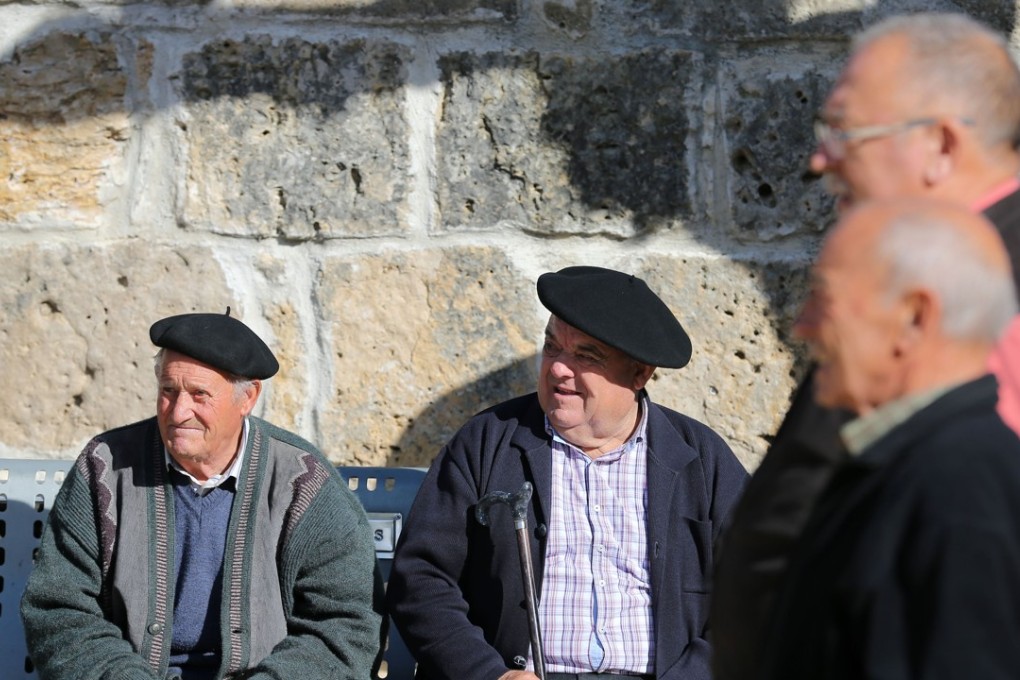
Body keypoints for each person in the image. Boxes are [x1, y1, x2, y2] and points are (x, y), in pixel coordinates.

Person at [709, 13, 1020, 680]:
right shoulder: (919, 270)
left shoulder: (1002, 281)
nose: (820, 158)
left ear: (939, 145)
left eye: (846, 129)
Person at [386, 265, 748, 680]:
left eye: (586, 356)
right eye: (552, 347)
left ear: (639, 373)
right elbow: (421, 578)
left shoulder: (701, 460)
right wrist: (489, 675)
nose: (558, 368)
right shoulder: (486, 442)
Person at [21, 311, 384, 680]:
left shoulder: (304, 483)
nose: (179, 412)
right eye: (168, 391)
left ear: (248, 398)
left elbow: (345, 626)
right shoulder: (105, 468)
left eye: (200, 395)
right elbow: (60, 609)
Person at [760, 198, 1020, 678]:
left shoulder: (959, 482)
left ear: (914, 318)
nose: (802, 325)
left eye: (823, 297)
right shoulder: (909, 460)